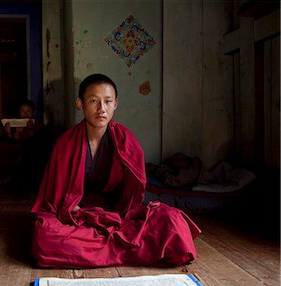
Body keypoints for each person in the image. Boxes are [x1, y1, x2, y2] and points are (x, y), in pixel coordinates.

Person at [30, 74, 201, 268]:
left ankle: (94, 251)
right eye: (94, 101)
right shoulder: (65, 144)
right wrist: (74, 209)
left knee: (173, 222)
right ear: (80, 103)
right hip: (76, 213)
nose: (101, 109)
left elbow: (134, 194)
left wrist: (118, 215)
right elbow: (56, 197)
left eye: (107, 101)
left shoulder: (126, 141)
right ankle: (134, 250)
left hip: (117, 212)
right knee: (45, 236)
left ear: (115, 104)